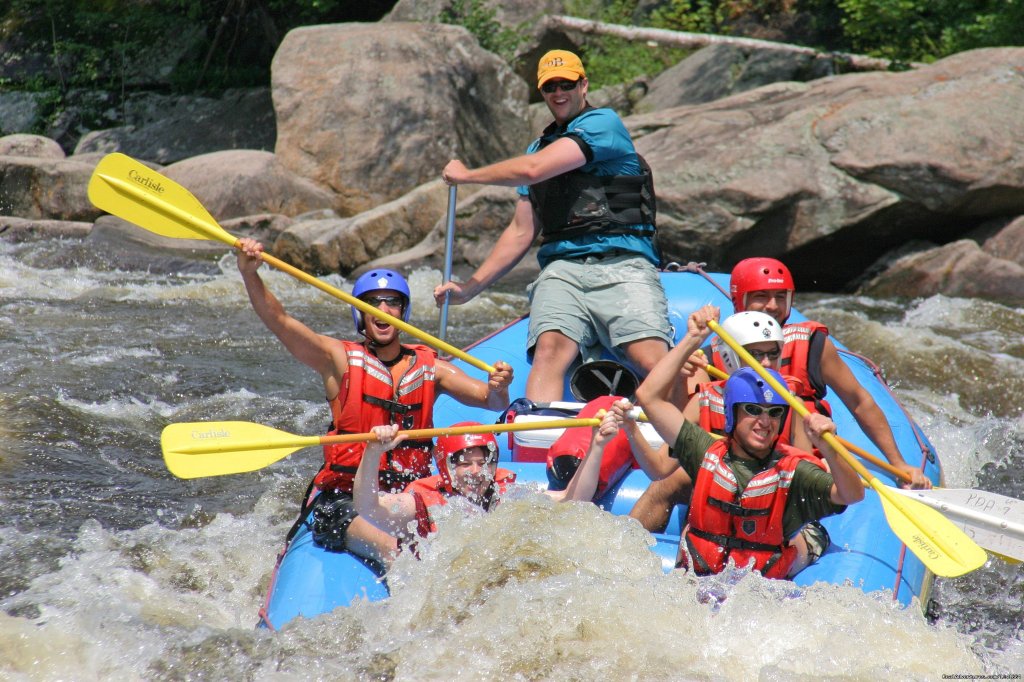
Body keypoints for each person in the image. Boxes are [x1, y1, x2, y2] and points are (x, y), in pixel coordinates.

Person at [235, 237, 513, 567]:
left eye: (392, 303)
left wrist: (500, 384)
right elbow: (281, 322)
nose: (383, 311)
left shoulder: (431, 369)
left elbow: (491, 401)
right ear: (360, 313)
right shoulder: (335, 359)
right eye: (373, 303)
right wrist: (250, 273)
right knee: (393, 548)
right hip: (345, 498)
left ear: (403, 311)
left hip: (410, 495)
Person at [434, 49, 684, 403]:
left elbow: (535, 169)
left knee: (649, 358)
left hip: (622, 264)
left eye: (566, 83)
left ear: (584, 85)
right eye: (550, 86)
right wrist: (469, 289)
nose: (558, 92)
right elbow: (521, 232)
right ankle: (538, 440)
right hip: (562, 270)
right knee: (549, 350)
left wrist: (468, 176)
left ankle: (678, 440)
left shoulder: (604, 124)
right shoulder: (537, 146)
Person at [625, 363, 864, 578]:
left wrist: (829, 449)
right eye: (753, 409)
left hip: (767, 569)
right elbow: (648, 396)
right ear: (732, 412)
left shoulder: (794, 472)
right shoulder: (704, 452)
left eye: (774, 412)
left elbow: (852, 495)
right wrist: (693, 338)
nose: (765, 421)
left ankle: (810, 537)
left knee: (807, 537)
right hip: (706, 564)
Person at [725, 257, 930, 489]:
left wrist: (898, 463)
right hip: (740, 460)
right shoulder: (717, 350)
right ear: (738, 300)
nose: (773, 305)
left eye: (780, 296)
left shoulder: (813, 345)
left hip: (805, 458)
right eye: (761, 296)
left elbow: (859, 401)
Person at [627, 306, 818, 531]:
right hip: (715, 492)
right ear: (729, 356)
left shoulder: (791, 404)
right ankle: (621, 553)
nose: (766, 363)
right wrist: (629, 427)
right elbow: (660, 468)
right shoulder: (704, 401)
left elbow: (807, 480)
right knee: (667, 484)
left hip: (770, 495)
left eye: (772, 353)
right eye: (755, 354)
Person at [353, 411, 625, 564]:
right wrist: (373, 452)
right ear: (446, 466)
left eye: (482, 463)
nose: (475, 473)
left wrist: (597, 445)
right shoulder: (421, 504)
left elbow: (572, 499)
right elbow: (367, 508)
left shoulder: (507, 496)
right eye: (465, 464)